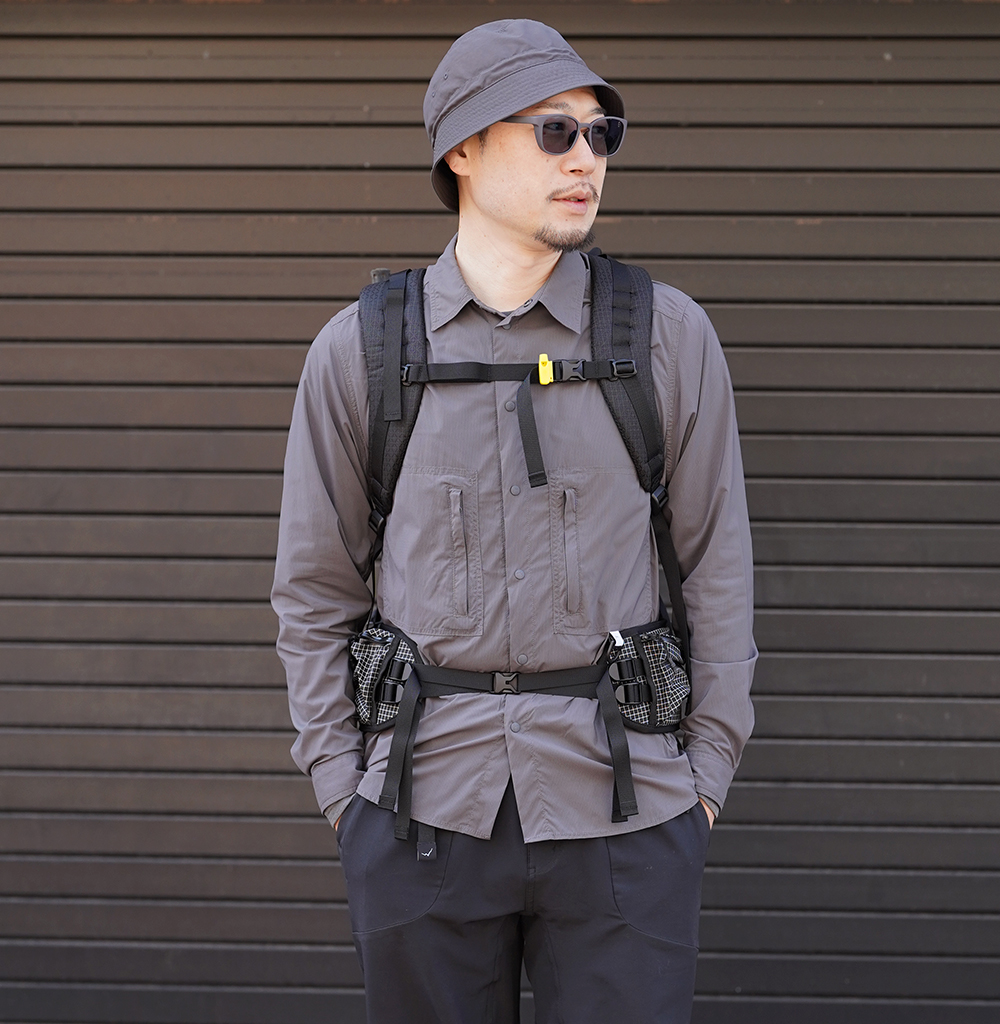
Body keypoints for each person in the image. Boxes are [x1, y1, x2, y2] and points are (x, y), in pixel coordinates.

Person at [272, 18, 756, 1024]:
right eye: (553, 131)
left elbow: (718, 568)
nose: (586, 160)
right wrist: (343, 790)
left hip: (629, 813)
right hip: (418, 813)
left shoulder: (665, 337)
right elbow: (315, 590)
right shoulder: (361, 351)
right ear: (463, 148)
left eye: (601, 134)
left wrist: (704, 778)